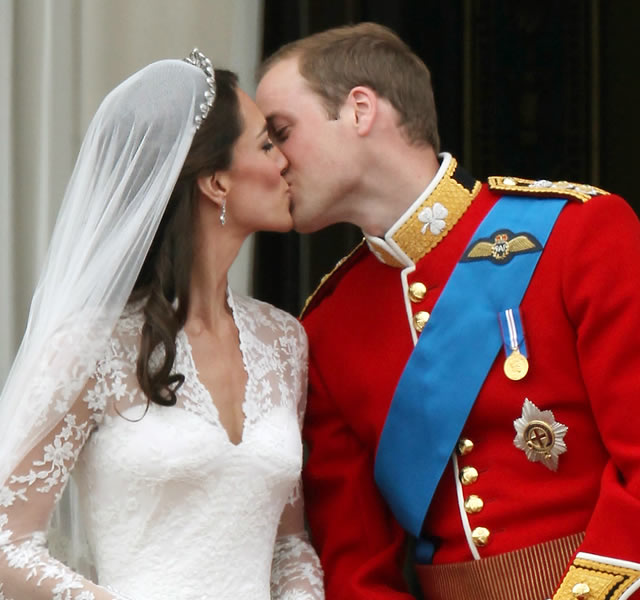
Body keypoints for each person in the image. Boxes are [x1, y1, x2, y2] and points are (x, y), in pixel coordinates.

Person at [256, 22, 640, 600]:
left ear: (360, 110)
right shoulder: (328, 326)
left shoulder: (577, 234)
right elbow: (355, 565)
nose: (273, 163)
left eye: (281, 132)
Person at [0, 49, 324, 600]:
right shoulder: (91, 347)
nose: (285, 162)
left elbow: (289, 545)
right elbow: (7, 544)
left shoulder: (284, 341)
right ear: (216, 183)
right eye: (267, 145)